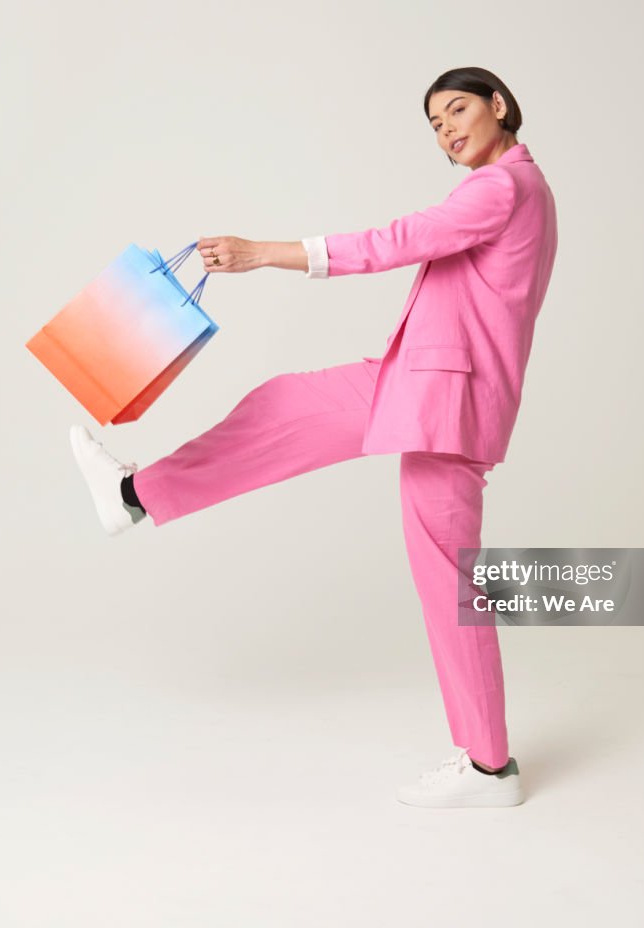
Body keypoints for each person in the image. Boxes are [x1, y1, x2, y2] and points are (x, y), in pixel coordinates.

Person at [70, 66, 559, 808]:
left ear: (499, 105)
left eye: (457, 109)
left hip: (445, 398)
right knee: (284, 407)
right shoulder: (518, 189)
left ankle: (490, 768)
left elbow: (397, 240)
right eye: (434, 123)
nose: (447, 130)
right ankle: (134, 494)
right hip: (421, 381)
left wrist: (263, 252)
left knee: (448, 579)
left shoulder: (502, 187)